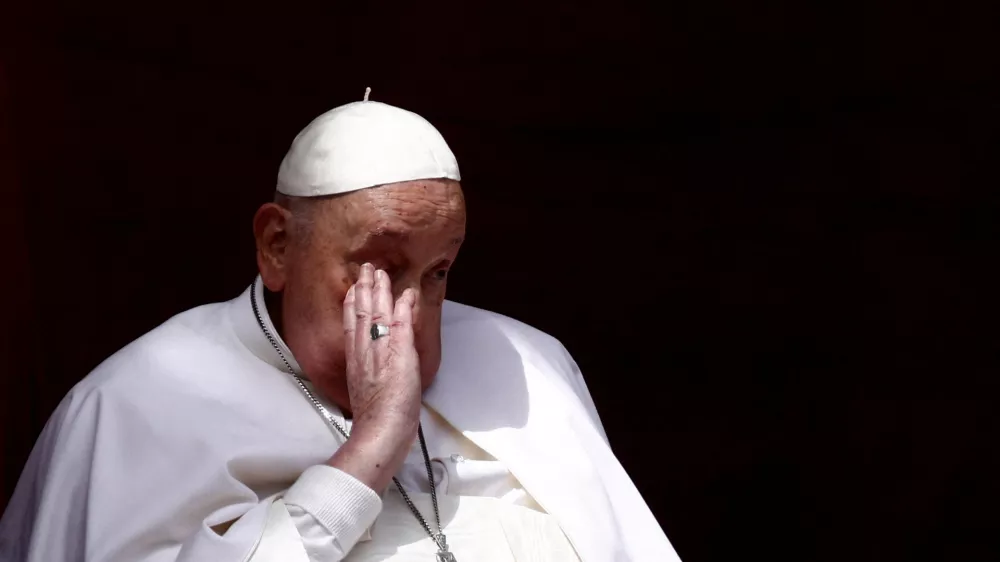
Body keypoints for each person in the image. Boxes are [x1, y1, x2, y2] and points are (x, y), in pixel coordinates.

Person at [0, 93, 681, 562]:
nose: (407, 317)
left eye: (439, 272)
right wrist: (369, 452)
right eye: (379, 268)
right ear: (276, 246)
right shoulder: (133, 402)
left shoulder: (527, 361)